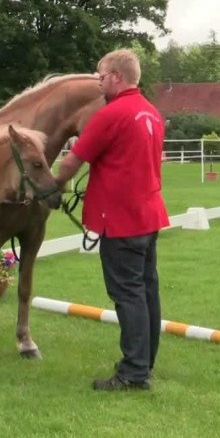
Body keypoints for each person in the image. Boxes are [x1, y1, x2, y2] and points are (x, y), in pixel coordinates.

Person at [55, 49, 170, 391]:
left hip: (119, 219)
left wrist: (54, 185)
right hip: (147, 215)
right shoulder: (151, 113)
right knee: (147, 291)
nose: (99, 81)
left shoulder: (112, 114)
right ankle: (144, 363)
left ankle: (134, 372)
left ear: (117, 77)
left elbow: (73, 161)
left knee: (128, 294)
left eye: (101, 75)